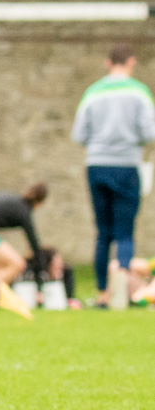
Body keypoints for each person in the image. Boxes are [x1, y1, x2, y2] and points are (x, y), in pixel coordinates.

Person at [72, 44, 155, 307]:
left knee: (103, 233)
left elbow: (79, 135)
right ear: (131, 62)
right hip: (127, 166)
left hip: (96, 165)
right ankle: (122, 293)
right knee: (125, 233)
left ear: (108, 63)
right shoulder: (140, 93)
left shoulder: (92, 92)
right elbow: (150, 133)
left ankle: (102, 294)